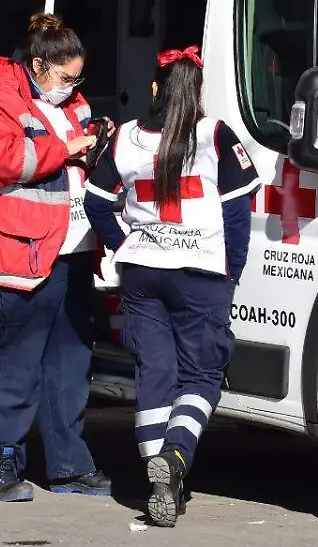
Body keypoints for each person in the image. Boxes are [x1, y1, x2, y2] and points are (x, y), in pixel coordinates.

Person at [83, 45, 261, 527]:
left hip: (143, 272)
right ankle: (176, 456)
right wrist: (232, 271)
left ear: (154, 89)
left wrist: (125, 244)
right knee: (201, 375)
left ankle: (158, 481)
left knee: (155, 374)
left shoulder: (124, 137)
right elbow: (237, 213)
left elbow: (96, 203)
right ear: (198, 93)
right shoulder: (215, 135)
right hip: (200, 273)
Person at [0, 11, 114, 502]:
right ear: (38, 65)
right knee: (16, 365)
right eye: (66, 77)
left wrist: (99, 142)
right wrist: (67, 148)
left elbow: (78, 160)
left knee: (69, 363)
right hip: (16, 254)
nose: (72, 88)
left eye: (78, 79)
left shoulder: (71, 104)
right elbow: (3, 161)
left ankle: (69, 465)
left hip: (69, 251)